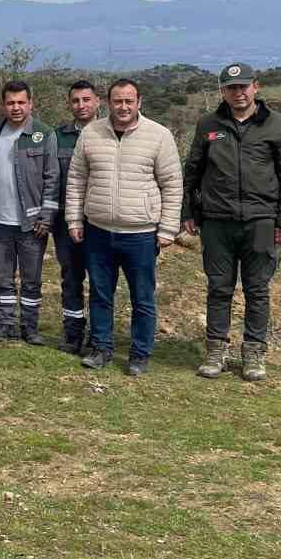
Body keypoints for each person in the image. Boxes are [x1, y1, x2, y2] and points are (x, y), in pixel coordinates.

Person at [182, 62, 281, 382]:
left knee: (257, 289)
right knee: (218, 287)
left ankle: (254, 353)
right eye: (231, 87)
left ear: (256, 87)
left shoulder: (280, 127)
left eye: (244, 86)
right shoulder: (208, 124)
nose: (239, 92)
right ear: (223, 91)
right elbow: (191, 172)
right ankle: (216, 350)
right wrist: (188, 212)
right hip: (217, 222)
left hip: (261, 222)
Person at [65, 78, 183, 376]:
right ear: (108, 102)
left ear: (139, 102)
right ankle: (102, 348)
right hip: (98, 230)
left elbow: (172, 184)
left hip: (141, 233)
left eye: (129, 101)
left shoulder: (158, 135)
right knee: (101, 294)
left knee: (142, 297)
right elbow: (77, 180)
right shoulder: (91, 133)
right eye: (118, 101)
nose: (123, 106)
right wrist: (74, 220)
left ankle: (139, 354)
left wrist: (168, 228)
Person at [0, 80, 59, 345]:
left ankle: (30, 327)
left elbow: (52, 178)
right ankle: (6, 325)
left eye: (21, 102)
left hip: (31, 222)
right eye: (10, 103)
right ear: (3, 105)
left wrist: (46, 216)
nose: (16, 107)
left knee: (31, 280)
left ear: (30, 104)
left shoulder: (43, 134)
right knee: (2, 278)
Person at [53, 80, 100, 354]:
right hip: (66, 220)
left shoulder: (109, 133)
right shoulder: (58, 137)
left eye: (86, 99)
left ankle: (97, 333)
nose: (81, 105)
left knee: (99, 280)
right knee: (71, 277)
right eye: (75, 101)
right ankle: (73, 333)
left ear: (97, 102)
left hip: (99, 220)